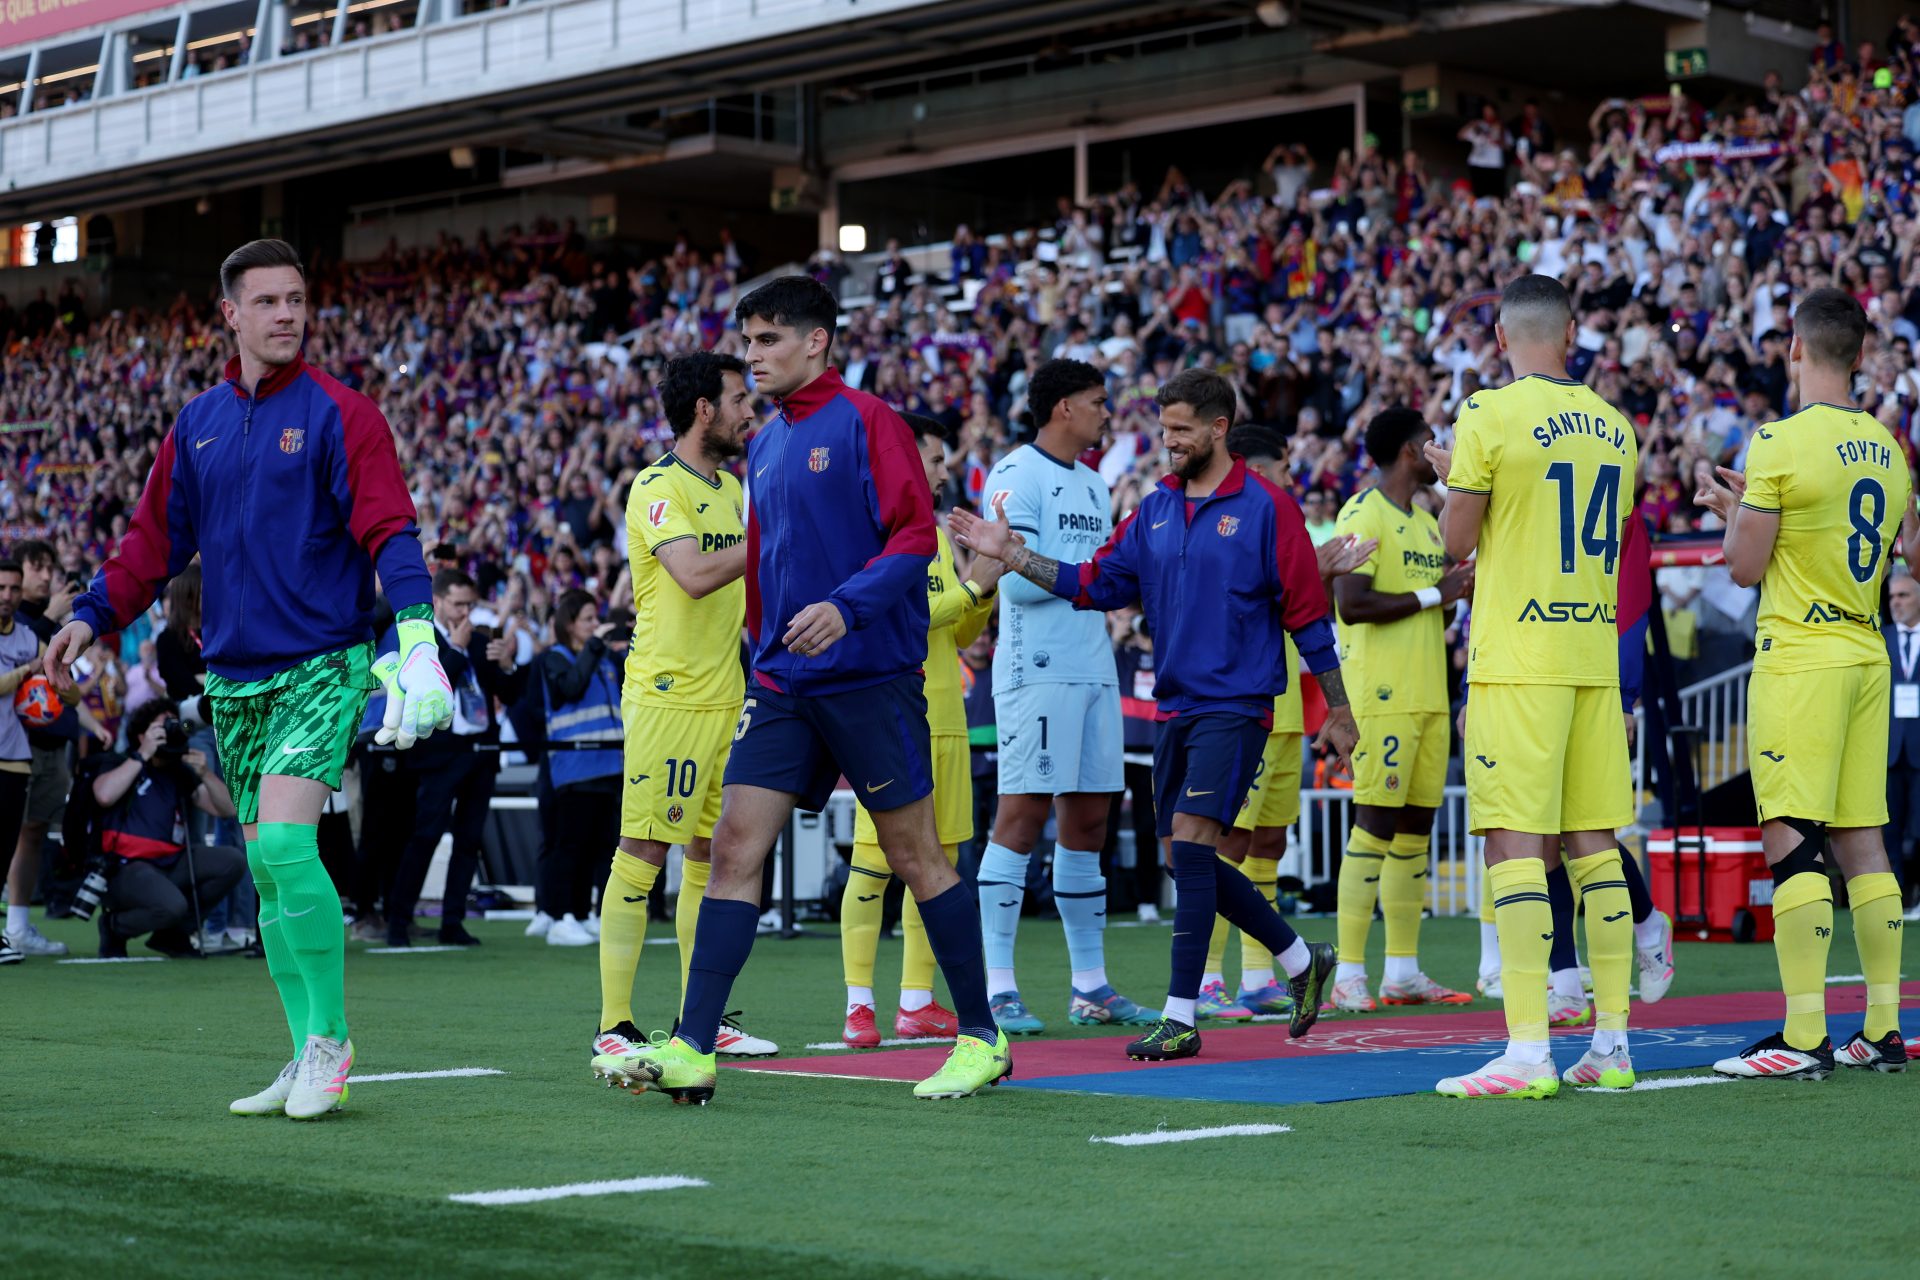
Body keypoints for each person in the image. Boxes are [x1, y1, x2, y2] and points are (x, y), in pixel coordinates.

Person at [49, 238, 452, 1122]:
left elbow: (391, 530)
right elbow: (151, 544)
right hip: (232, 680)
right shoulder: (196, 423)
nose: (287, 314)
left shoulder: (345, 413)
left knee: (285, 848)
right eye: (267, 301)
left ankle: (332, 1041)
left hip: (322, 662)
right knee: (268, 872)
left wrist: (417, 632)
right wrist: (89, 614)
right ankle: (303, 1045)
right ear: (230, 314)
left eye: (296, 299)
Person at [605, 276, 1005, 1104]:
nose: (752, 357)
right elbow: (766, 564)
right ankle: (692, 1046)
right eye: (747, 341)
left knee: (917, 857)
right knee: (732, 851)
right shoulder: (765, 444)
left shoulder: (869, 421)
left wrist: (845, 608)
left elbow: (912, 536)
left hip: (871, 678)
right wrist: (766, 653)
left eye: (767, 340)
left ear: (816, 340)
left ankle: (981, 1035)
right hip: (782, 683)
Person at [953, 367, 1357, 1062]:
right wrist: (1012, 554)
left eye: (1180, 430)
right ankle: (1301, 959)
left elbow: (1308, 616)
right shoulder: (1156, 508)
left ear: (1219, 429)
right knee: (1183, 859)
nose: (1166, 442)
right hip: (1176, 709)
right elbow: (1094, 583)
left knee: (1194, 847)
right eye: (1163, 428)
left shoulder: (1269, 508)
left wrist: (1341, 709)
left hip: (1236, 705)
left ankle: (1181, 1017)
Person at [1424, 274, 1639, 1098]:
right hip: (1591, 656)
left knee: (1514, 847)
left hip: (1519, 656)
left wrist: (1457, 478)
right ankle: (1611, 1046)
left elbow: (1456, 543)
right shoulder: (1617, 426)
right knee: (1594, 846)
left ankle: (1527, 1052)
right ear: (1572, 332)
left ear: (1501, 337)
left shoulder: (1487, 412)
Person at [1695, 287, 1910, 1078]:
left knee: (1791, 833)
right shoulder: (1888, 445)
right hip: (1866, 652)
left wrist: (1736, 512)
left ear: (1794, 348)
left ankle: (1804, 1035)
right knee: (1864, 841)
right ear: (1859, 354)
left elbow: (1744, 565)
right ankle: (1883, 1030)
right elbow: (1911, 555)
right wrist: (1752, 509)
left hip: (1803, 655)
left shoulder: (1778, 442)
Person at [589, 349, 776, 1077]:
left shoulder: (731, 487)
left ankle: (700, 1020)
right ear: (704, 409)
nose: (749, 411)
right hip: (668, 696)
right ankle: (613, 1025)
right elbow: (695, 575)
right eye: (738, 399)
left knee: (712, 855)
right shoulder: (657, 485)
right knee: (643, 852)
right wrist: (770, 537)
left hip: (727, 695)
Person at [975, 358, 1155, 1034]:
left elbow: (1095, 578)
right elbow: (1015, 582)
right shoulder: (1016, 473)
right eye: (1097, 401)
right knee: (1020, 817)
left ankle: (1090, 987)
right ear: (1063, 409)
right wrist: (1089, 578)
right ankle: (997, 988)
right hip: (1039, 667)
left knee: (1089, 824)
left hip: (1093, 666)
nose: (1107, 413)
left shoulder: (1092, 481)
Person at [841, 412, 1003, 1047]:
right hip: (889, 717)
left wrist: (985, 585)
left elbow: (958, 633)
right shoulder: (868, 530)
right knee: (873, 864)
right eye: (935, 459)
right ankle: (858, 1004)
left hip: (946, 718)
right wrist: (970, 588)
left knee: (942, 862)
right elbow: (893, 616)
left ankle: (915, 1000)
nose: (943, 471)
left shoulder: (934, 534)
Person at [1202, 425, 1375, 1019]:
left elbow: (1300, 612)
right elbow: (1236, 605)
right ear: (1255, 467)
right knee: (1227, 844)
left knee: (1269, 843)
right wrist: (1313, 574)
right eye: (1283, 469)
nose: (1291, 480)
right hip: (1242, 705)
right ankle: (1206, 981)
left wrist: (1318, 577)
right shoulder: (1227, 521)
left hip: (1284, 709)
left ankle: (1257, 978)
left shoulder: (1285, 519)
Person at [1327, 407, 1475, 1012]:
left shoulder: (1427, 523)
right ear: (1411, 451)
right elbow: (1352, 603)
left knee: (1414, 834)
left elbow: (1434, 608)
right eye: (1431, 442)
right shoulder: (1364, 513)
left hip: (1428, 697)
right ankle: (1348, 973)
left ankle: (1403, 972)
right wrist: (1438, 592)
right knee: (1374, 827)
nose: (1439, 452)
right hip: (1381, 697)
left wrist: (1453, 591)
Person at [383, 568, 525, 947]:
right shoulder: (423, 645)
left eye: (469, 605)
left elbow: (509, 694)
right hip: (440, 757)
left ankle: (453, 921)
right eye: (458, 604)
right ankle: (398, 921)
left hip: (480, 754)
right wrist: (458, 650)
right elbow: (435, 682)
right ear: (438, 601)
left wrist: (507, 665)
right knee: (425, 837)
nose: (465, 612)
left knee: (468, 840)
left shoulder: (480, 641)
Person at [91, 698, 245, 957]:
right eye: (162, 726)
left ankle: (174, 936)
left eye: (173, 725)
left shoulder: (179, 771)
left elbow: (227, 809)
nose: (170, 731)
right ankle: (115, 926)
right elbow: (104, 795)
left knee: (232, 861)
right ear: (142, 734)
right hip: (126, 867)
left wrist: (205, 773)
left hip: (171, 861)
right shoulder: (121, 761)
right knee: (173, 906)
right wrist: (142, 754)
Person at [4, 539, 85, 958]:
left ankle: (18, 925)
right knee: (13, 833)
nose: (46, 575)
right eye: (37, 567)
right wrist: (50, 617)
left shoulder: (48, 622)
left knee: (34, 831)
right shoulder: (20, 618)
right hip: (15, 745)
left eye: (49, 567)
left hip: (51, 741)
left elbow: (64, 682)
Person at [535, 589, 626, 947]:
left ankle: (588, 914)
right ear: (569, 623)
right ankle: (561, 917)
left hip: (610, 764)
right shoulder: (555, 658)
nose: (595, 624)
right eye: (587, 619)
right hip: (574, 768)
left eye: (595, 618)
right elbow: (570, 689)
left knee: (603, 848)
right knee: (570, 846)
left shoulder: (603, 658)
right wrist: (593, 648)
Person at [0, 561, 42, 965]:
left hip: (14, 758)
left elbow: (65, 683)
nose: (7, 596)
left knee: (5, 848)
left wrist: (62, 689)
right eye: (1, 588)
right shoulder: (28, 653)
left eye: (14, 589)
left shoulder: (28, 638)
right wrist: (30, 670)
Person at [1882, 570, 1920, 915]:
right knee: (1889, 829)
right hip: (1889, 751)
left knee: (1918, 829)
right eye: (1892, 596)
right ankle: (1896, 899)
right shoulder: (1881, 638)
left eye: (1904, 595)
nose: (1896, 602)